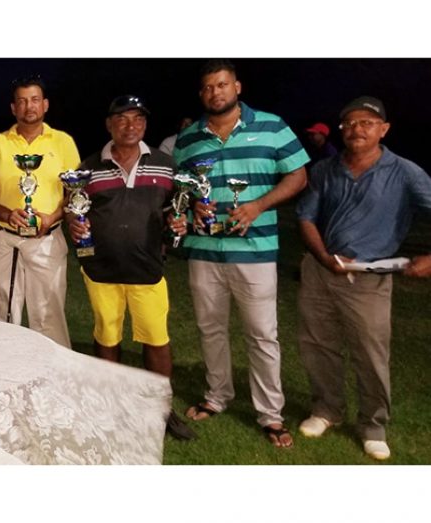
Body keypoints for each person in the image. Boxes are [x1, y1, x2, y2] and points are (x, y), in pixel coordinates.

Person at [173, 59, 309, 448]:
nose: (215, 92)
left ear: (237, 88)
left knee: (263, 334)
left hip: (255, 251)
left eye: (222, 85)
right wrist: (190, 206)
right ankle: (217, 396)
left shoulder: (271, 125)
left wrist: (259, 205)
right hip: (205, 250)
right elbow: (182, 189)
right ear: (202, 94)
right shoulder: (189, 138)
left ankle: (270, 414)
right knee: (210, 328)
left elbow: (298, 176)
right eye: (208, 88)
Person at [295, 96, 431, 461]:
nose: (357, 129)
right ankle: (327, 410)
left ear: (383, 129)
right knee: (317, 345)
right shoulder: (326, 169)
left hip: (370, 277)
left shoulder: (405, 172)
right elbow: (306, 217)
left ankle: (373, 424)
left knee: (370, 354)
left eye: (367, 123)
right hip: (320, 271)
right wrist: (324, 257)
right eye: (350, 124)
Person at [67, 95, 195, 441]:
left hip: (148, 269)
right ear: (109, 124)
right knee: (107, 338)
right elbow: (75, 210)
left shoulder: (166, 166)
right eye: (122, 119)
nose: (130, 126)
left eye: (137, 119)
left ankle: (162, 410)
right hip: (100, 269)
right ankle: (109, 405)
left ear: (145, 125)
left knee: (157, 340)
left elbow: (177, 210)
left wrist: (180, 222)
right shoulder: (89, 167)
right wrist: (74, 224)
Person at [0, 75, 79, 348]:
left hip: (46, 239)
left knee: (49, 315)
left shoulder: (63, 141)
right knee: (2, 313)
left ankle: (53, 378)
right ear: (13, 108)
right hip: (3, 240)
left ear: (45, 105)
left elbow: (74, 194)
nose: (28, 106)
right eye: (21, 101)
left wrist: (53, 217)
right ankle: (4, 375)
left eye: (34, 100)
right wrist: (8, 214)